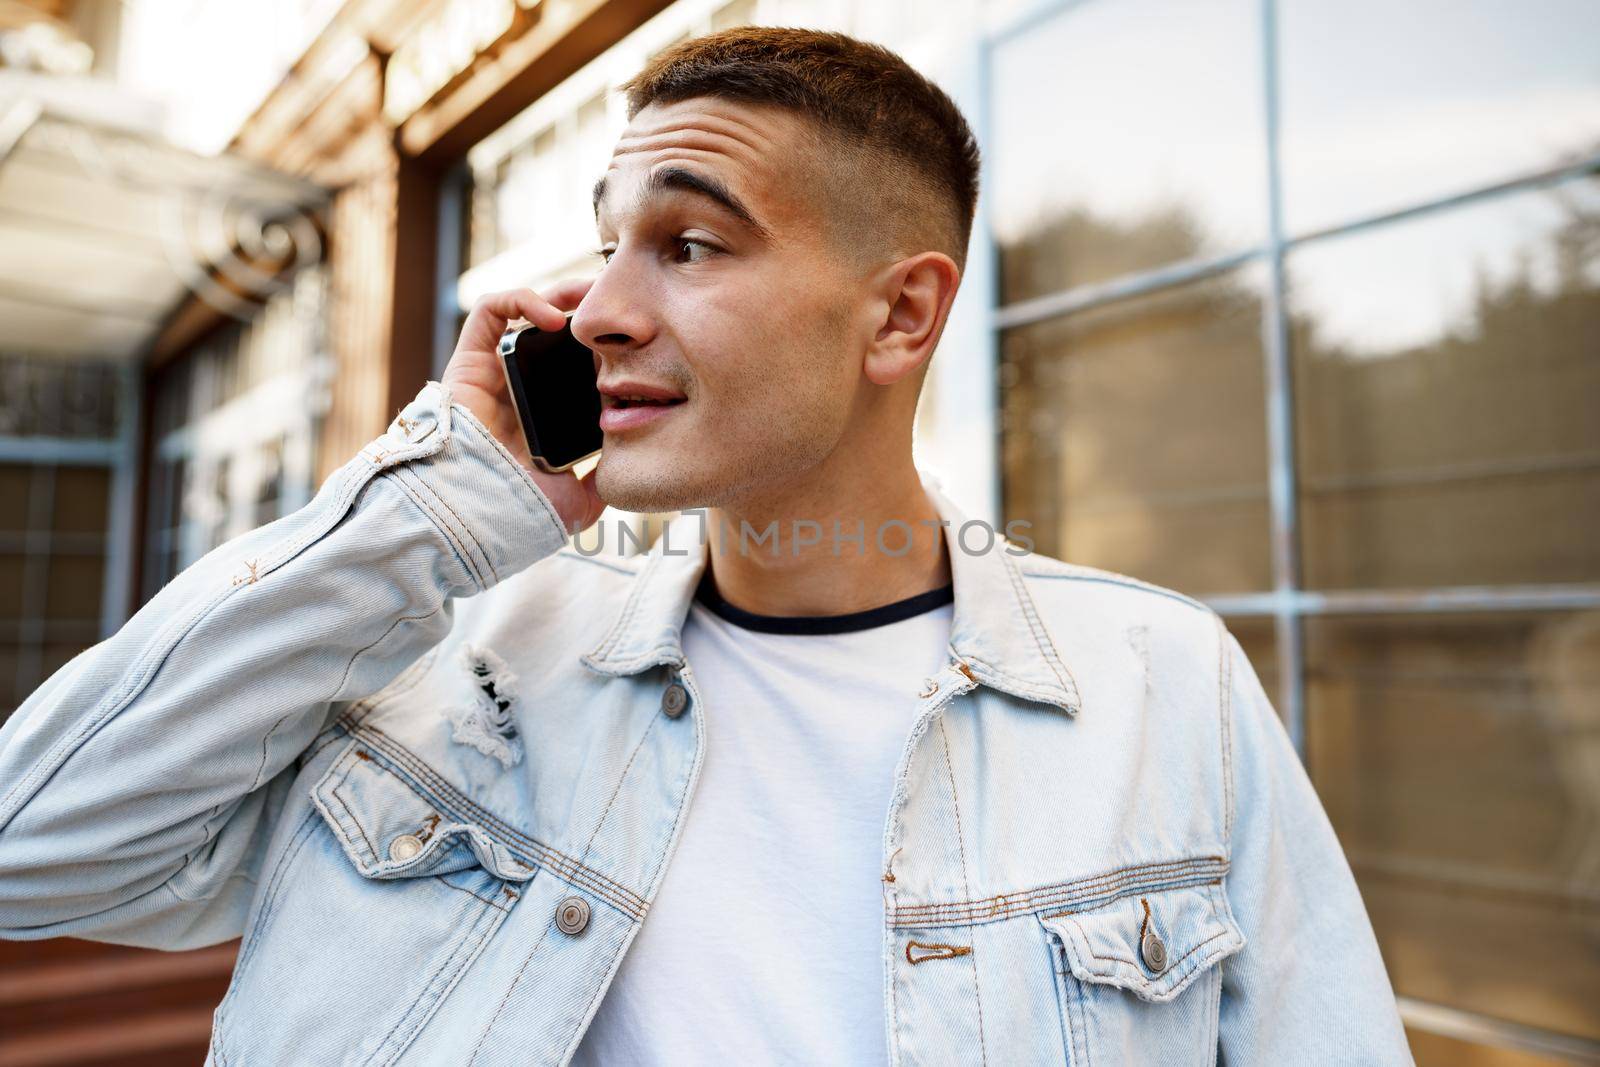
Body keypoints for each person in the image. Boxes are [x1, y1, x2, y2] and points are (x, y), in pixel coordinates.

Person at [0, 25, 1413, 1067]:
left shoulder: (1163, 685)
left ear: (902, 318)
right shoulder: (458, 664)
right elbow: (33, 855)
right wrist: (435, 512)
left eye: (689, 245)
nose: (594, 308)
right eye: (605, 243)